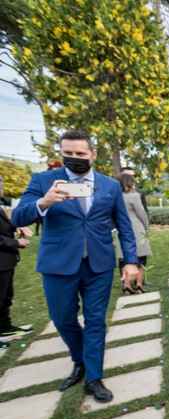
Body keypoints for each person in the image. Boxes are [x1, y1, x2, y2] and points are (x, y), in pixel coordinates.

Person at [11, 130, 139, 403]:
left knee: (95, 321)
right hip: (58, 265)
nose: (75, 158)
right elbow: (18, 216)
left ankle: (93, 376)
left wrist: (130, 261)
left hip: (98, 265)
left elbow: (125, 228)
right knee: (62, 319)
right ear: (61, 155)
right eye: (68, 153)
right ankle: (79, 358)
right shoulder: (43, 181)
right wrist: (44, 202)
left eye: (80, 153)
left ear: (92, 154)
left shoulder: (109, 186)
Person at [116, 174, 152, 294]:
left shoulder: (115, 196)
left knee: (126, 258)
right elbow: (141, 213)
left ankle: (126, 284)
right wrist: (146, 227)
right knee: (141, 258)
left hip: (120, 229)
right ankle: (139, 284)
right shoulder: (134, 196)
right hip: (135, 228)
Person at [0, 199, 30, 338]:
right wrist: (16, 242)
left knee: (6, 296)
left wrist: (17, 226)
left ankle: (5, 328)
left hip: (7, 261)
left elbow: (4, 226)